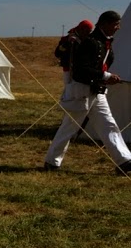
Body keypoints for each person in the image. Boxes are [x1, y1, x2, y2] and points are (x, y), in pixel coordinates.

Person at [43, 10, 130, 174]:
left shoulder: (103, 42)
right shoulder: (90, 42)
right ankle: (52, 161)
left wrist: (104, 77)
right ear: (105, 24)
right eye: (115, 24)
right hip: (81, 91)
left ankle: (124, 160)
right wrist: (106, 76)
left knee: (108, 125)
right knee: (69, 128)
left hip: (96, 90)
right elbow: (80, 71)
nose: (118, 28)